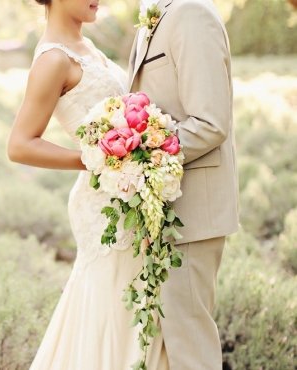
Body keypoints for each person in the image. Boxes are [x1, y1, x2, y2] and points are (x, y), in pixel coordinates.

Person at [7, 0, 170, 368]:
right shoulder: (54, 60)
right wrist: (94, 159)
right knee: (112, 308)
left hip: (128, 195)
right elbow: (19, 144)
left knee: (137, 304)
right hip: (103, 208)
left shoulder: (88, 47)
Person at [129, 0, 239, 369]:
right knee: (173, 342)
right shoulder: (158, 12)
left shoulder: (192, 12)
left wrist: (139, 156)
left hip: (192, 211)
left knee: (191, 348)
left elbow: (210, 122)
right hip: (166, 208)